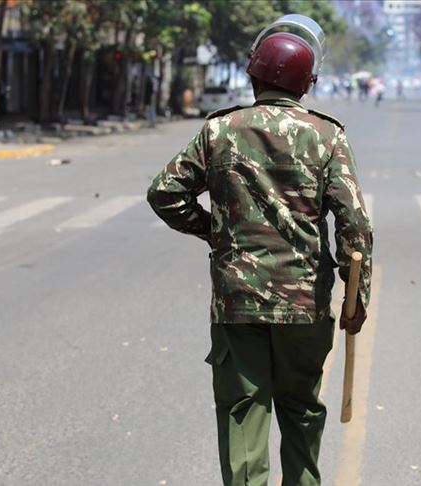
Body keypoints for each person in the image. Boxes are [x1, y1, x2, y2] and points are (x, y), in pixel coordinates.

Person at [147, 14, 373, 486]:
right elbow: (354, 225)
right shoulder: (327, 135)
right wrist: (357, 299)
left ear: (253, 74)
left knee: (243, 412)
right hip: (305, 304)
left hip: (238, 302)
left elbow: (165, 193)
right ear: (306, 85)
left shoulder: (220, 130)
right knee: (301, 410)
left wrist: (216, 232)